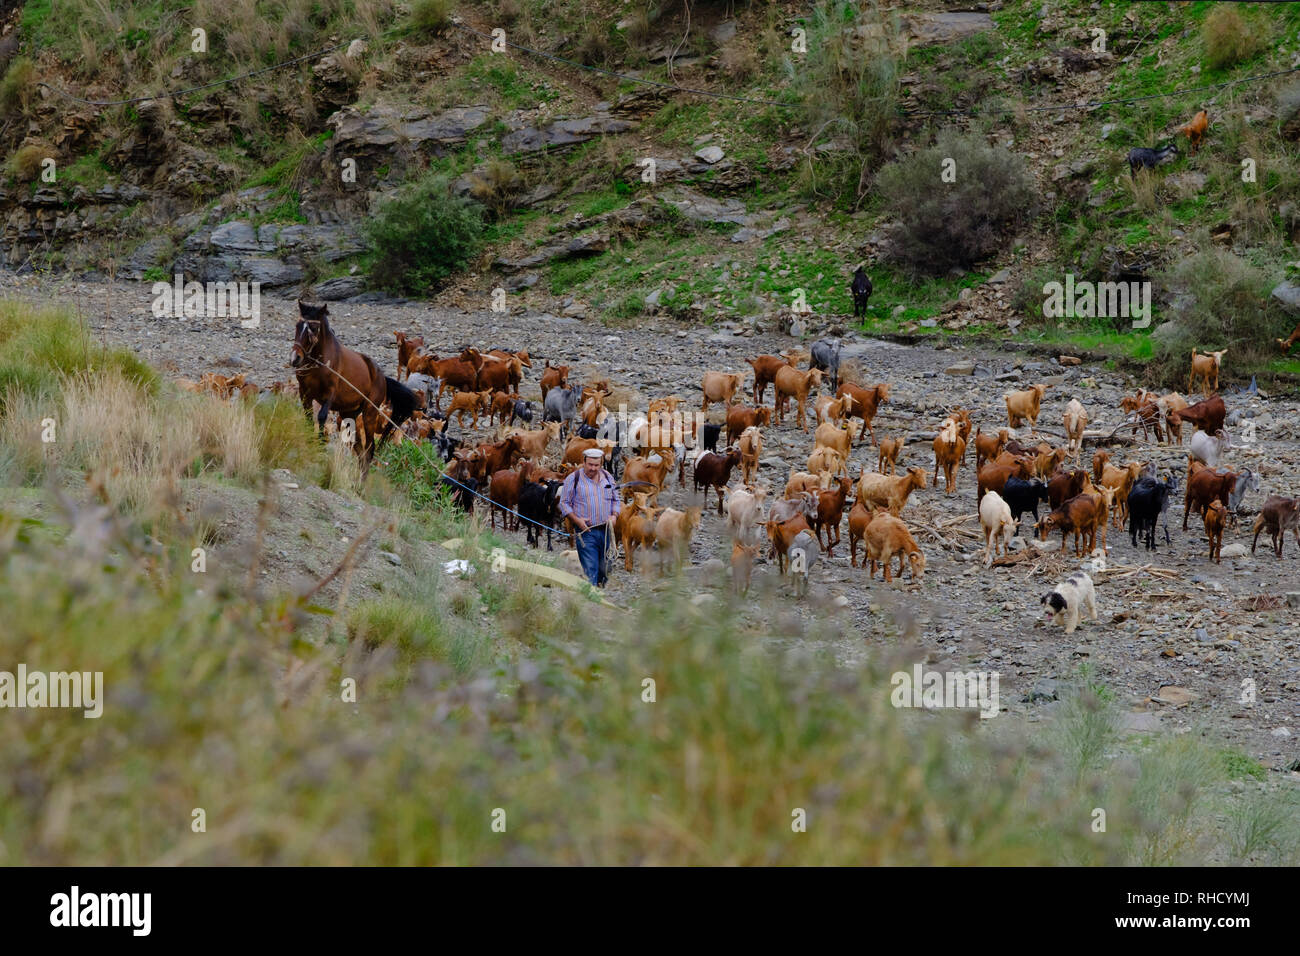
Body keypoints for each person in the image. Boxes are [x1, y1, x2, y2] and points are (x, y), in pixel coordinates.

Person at [558, 447, 621, 587]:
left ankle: (599, 591)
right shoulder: (573, 479)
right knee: (590, 569)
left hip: (606, 531)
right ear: (584, 462)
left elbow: (616, 499)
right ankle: (591, 600)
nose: (593, 468)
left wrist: (615, 515)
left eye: (596, 465)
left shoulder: (608, 477)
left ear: (601, 464)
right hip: (586, 531)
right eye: (590, 464)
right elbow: (564, 503)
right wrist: (576, 520)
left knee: (605, 569)